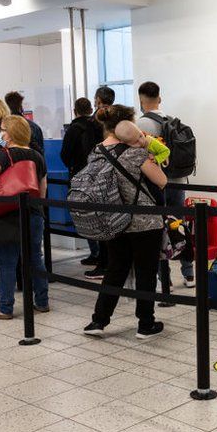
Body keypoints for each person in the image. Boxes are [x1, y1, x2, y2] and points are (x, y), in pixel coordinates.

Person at [82, 104, 167, 339]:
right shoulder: (135, 152)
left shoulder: (96, 151)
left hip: (113, 220)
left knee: (115, 270)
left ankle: (98, 321)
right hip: (145, 222)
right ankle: (145, 324)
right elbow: (161, 181)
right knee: (146, 272)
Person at [0, 116, 49, 318]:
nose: (1, 133)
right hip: (32, 214)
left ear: (11, 132)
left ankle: (5, 308)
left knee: (7, 262)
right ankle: (42, 302)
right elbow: (42, 190)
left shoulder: (1, 155)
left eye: (3, 129)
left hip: (5, 215)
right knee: (35, 258)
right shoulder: (37, 156)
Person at [135, 81, 196, 288]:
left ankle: (166, 280)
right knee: (178, 226)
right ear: (159, 99)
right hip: (178, 182)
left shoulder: (141, 125)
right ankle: (189, 275)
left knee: (159, 230)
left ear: (141, 101)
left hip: (156, 185)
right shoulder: (173, 121)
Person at [61, 97, 107, 270]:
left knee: (84, 216)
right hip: (100, 176)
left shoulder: (73, 129)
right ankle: (100, 255)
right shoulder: (98, 125)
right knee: (101, 216)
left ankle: (97, 254)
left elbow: (65, 155)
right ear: (90, 109)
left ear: (75, 111)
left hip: (80, 176)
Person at [80, 87, 116, 279]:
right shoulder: (119, 117)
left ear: (99, 99)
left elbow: (88, 147)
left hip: (98, 176)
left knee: (101, 224)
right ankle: (110, 263)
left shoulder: (96, 120)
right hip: (114, 178)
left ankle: (104, 265)